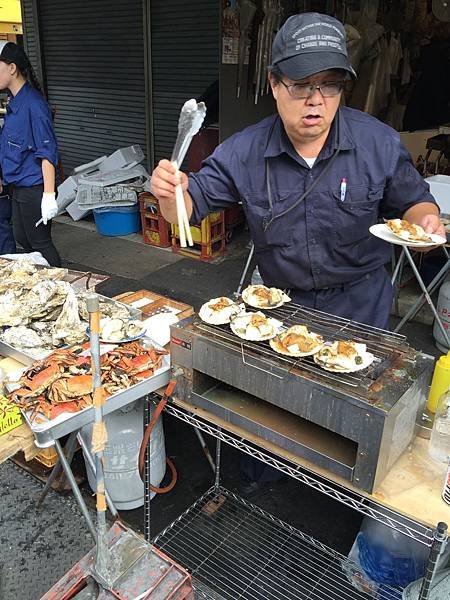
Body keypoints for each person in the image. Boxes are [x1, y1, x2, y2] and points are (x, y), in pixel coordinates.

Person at [151, 12, 445, 331]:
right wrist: (171, 195)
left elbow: (417, 203)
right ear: (274, 84)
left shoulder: (377, 142)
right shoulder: (243, 151)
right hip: (280, 307)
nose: (316, 100)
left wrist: (425, 226)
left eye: (330, 85)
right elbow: (187, 208)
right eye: (302, 85)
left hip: (362, 308)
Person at [0, 42, 61, 266]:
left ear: (12, 68)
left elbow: (47, 152)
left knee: (40, 244)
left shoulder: (34, 104)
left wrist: (48, 196)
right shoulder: (15, 102)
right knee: (24, 241)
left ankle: (64, 288)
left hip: (35, 188)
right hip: (18, 188)